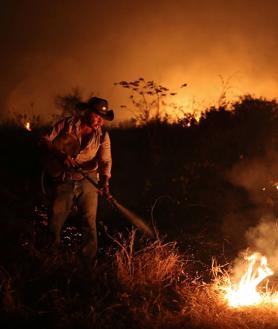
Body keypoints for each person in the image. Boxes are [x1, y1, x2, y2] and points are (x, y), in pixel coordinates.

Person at [41, 97, 114, 258]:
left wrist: (105, 183)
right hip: (64, 177)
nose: (100, 121)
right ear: (87, 112)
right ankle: (49, 257)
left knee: (89, 221)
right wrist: (60, 155)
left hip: (88, 179)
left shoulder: (103, 136)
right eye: (97, 116)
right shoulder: (67, 124)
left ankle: (86, 262)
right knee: (55, 218)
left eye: (102, 118)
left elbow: (105, 161)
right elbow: (45, 139)